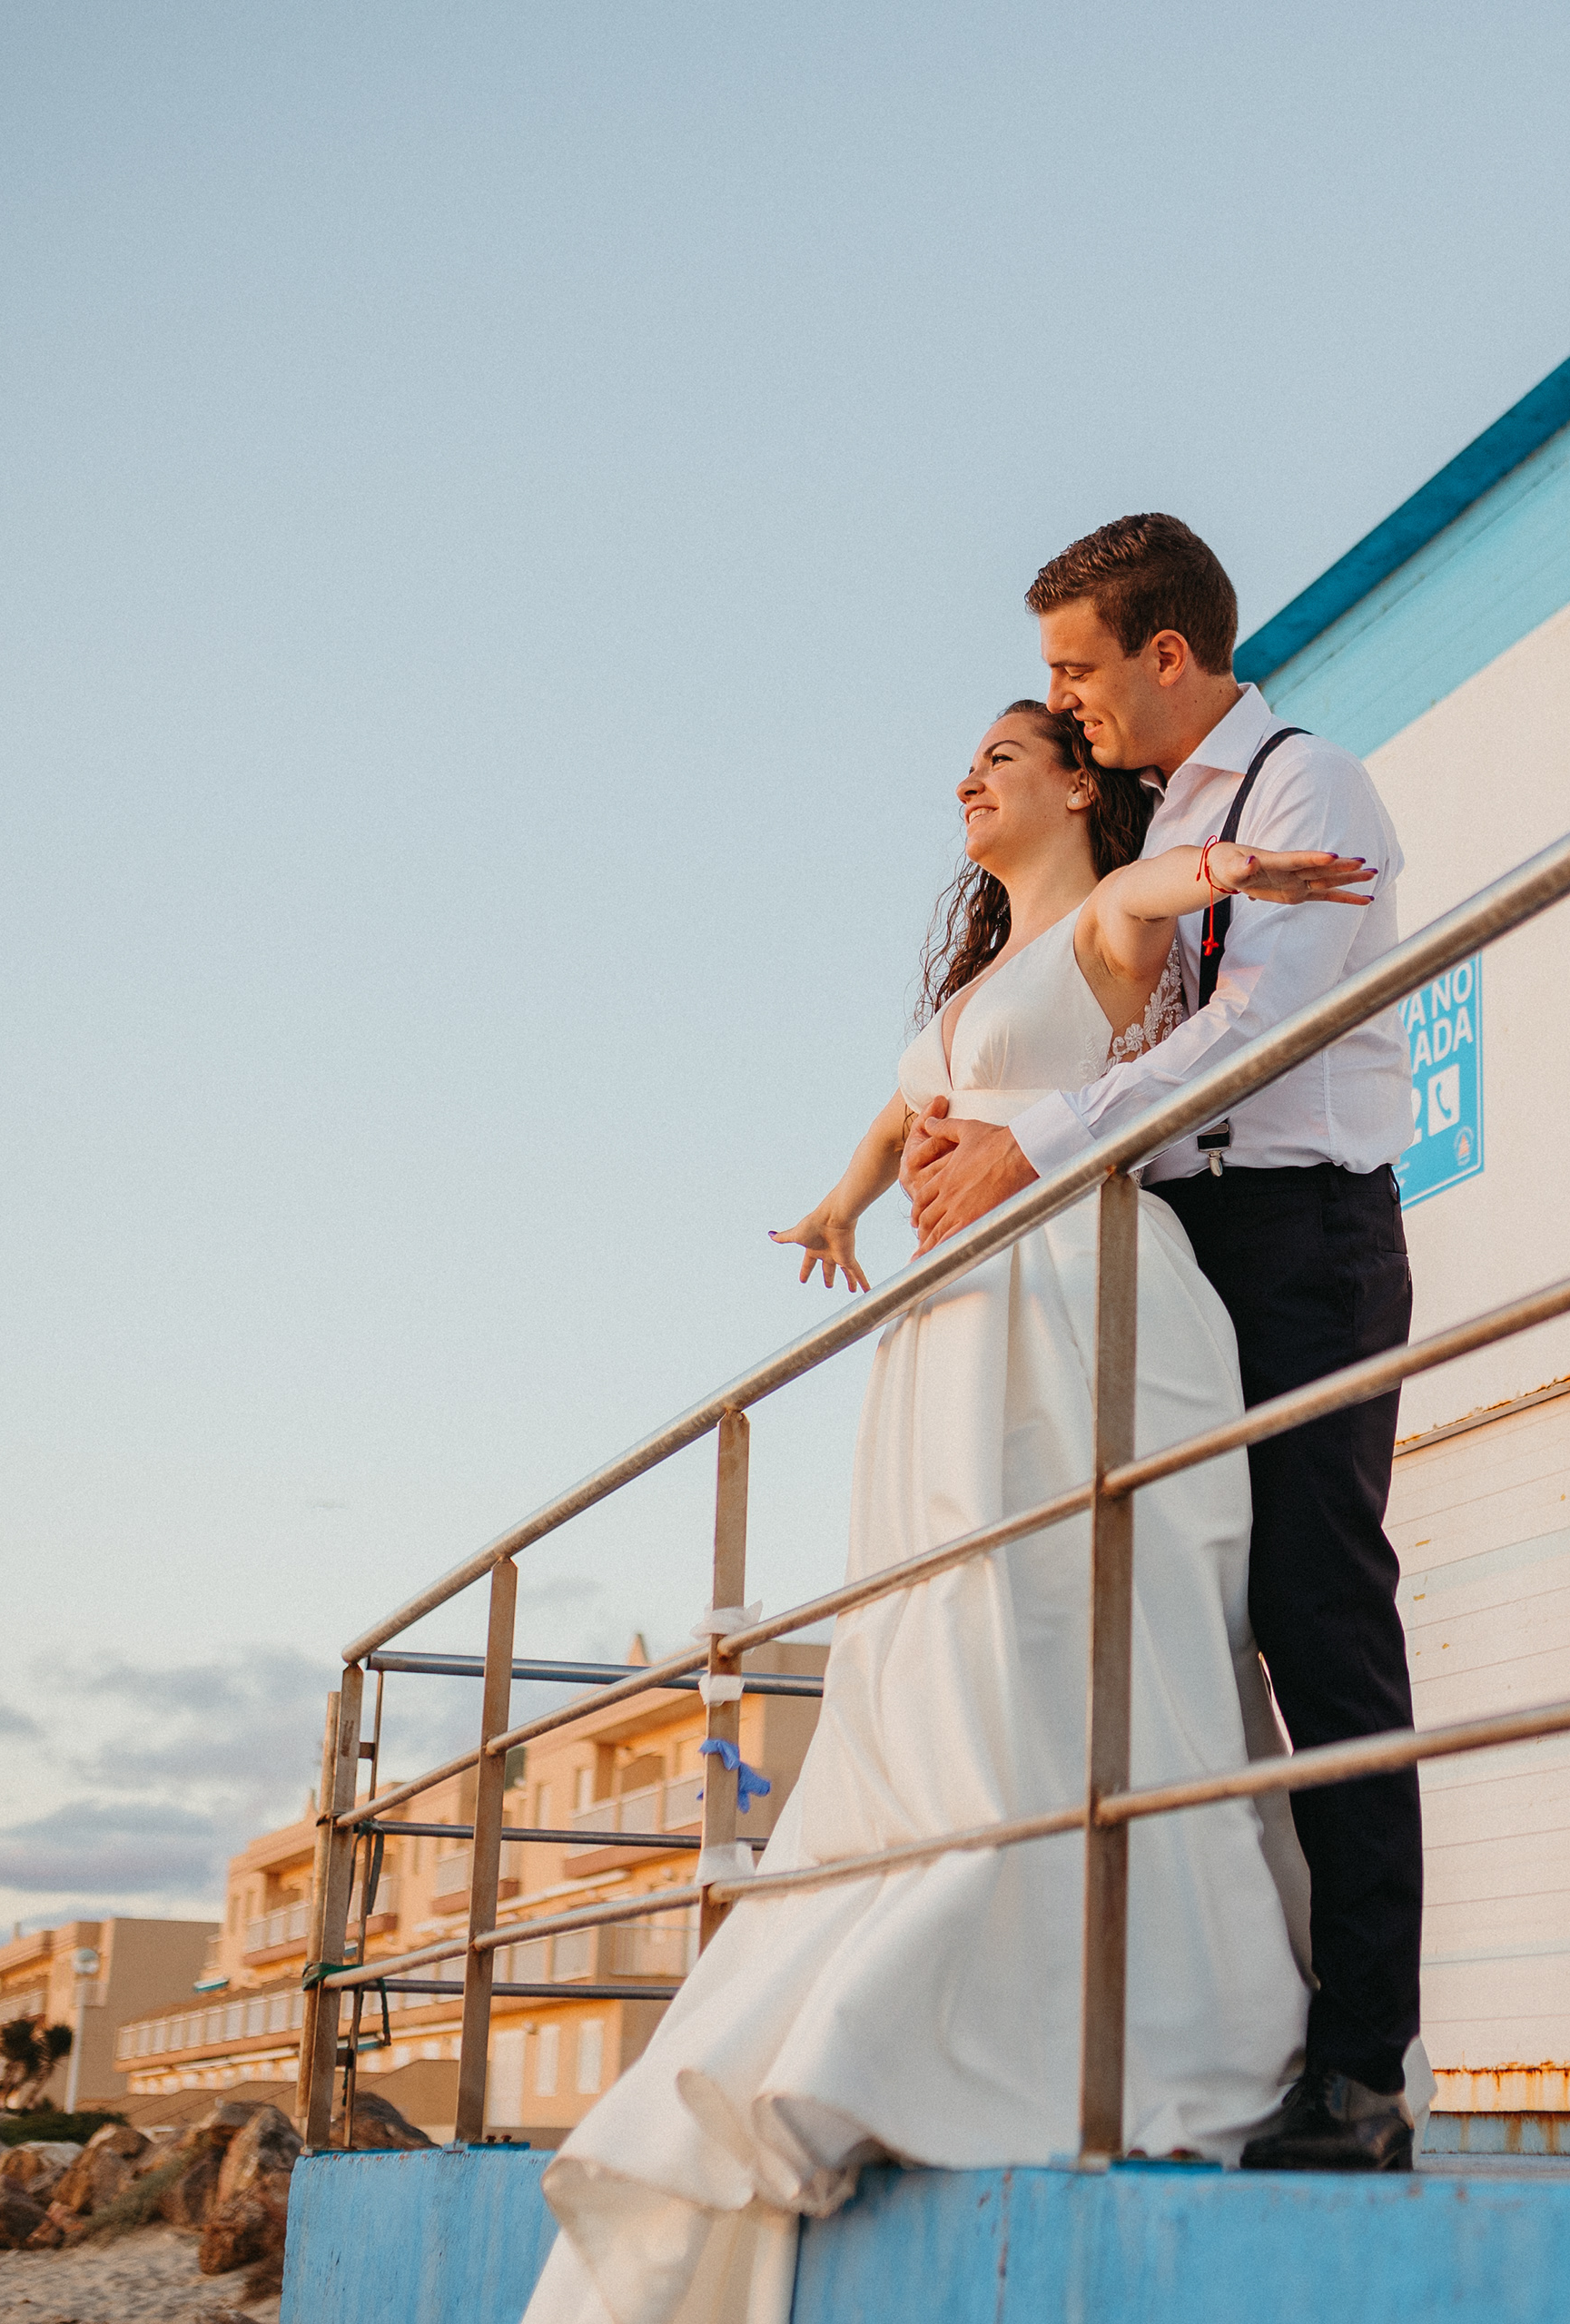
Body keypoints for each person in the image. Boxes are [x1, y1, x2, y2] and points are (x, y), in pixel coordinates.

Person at [518, 701, 1376, 2324]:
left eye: (1001, 757)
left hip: (1077, 1300)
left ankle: (1128, 1991)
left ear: (1076, 786)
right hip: (958, 1329)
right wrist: (840, 1205)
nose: (967, 782)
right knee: (951, 1634)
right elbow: (898, 1101)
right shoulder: (973, 994)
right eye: (967, 766)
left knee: (1084, 1621)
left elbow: (1152, 892)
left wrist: (1234, 864)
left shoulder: (1105, 928)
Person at [903, 513, 1425, 2175]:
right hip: (1180, 1254)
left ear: (1168, 654)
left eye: (1076, 668)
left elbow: (1251, 1035)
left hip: (1305, 1241)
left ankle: (1362, 2067)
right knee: (1180, 1633)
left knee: (1320, 1619)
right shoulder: (1163, 824)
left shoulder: (1304, 789)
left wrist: (1036, 1143)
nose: (1064, 700)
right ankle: (1209, 2036)